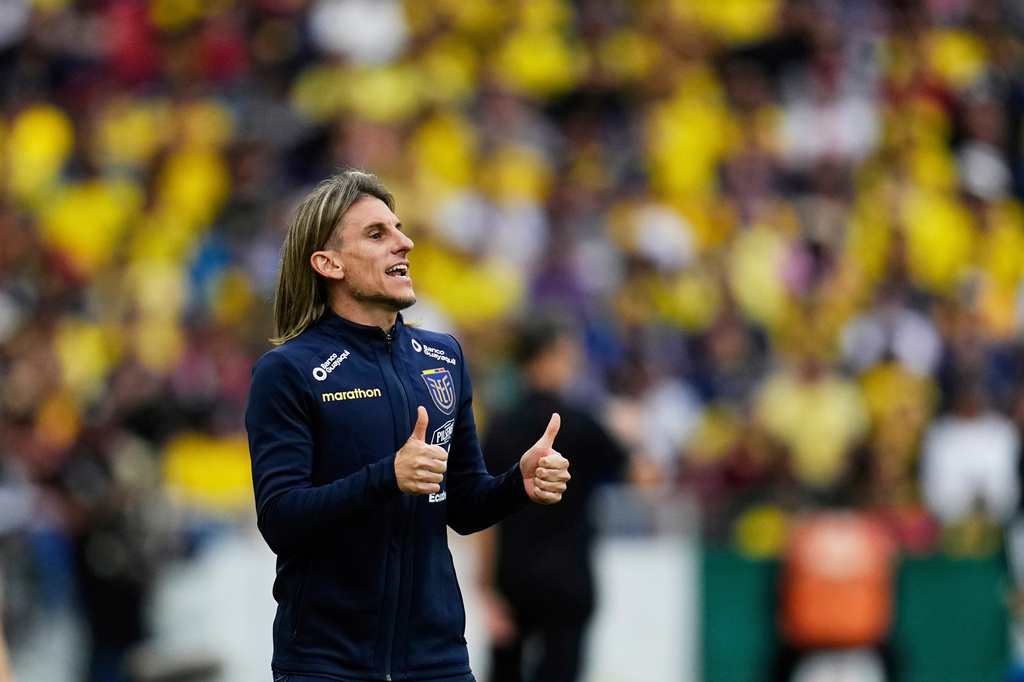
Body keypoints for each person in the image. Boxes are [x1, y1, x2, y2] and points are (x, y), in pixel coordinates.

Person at [245, 170, 571, 682]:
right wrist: (387, 477)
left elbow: (461, 505)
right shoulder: (287, 371)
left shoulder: (443, 357)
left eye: (398, 228)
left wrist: (517, 484)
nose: (405, 242)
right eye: (378, 234)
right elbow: (280, 518)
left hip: (437, 661)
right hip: (327, 664)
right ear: (328, 263)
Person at [476, 314, 633, 682]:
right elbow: (642, 473)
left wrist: (485, 586)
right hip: (568, 578)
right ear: (554, 354)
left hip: (512, 580)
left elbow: (484, 514)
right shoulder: (581, 422)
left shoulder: (500, 425)